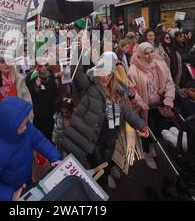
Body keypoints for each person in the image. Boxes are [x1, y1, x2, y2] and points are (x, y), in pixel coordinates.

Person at [61, 52, 149, 190]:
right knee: (99, 171)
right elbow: (76, 73)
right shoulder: (89, 85)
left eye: (109, 74)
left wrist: (140, 124)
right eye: (102, 72)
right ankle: (101, 191)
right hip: (94, 139)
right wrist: (79, 49)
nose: (105, 77)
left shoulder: (118, 90)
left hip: (111, 137)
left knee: (107, 162)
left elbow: (127, 111)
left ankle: (107, 174)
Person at [0, 97, 61, 201]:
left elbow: (40, 141)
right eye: (21, 126)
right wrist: (11, 195)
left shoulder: (25, 127)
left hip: (25, 186)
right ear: (10, 127)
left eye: (25, 122)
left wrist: (55, 158)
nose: (25, 127)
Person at [128, 43, 176, 170]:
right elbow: (132, 90)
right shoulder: (133, 69)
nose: (149, 55)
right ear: (140, 54)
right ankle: (146, 152)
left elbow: (169, 83)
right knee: (146, 131)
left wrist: (168, 99)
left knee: (159, 128)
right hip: (144, 107)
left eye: (151, 52)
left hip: (159, 104)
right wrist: (141, 103)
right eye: (146, 53)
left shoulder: (159, 64)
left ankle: (151, 145)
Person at [25, 62, 59, 141]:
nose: (43, 67)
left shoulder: (50, 74)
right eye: (40, 65)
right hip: (38, 114)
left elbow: (54, 93)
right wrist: (35, 86)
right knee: (39, 138)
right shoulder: (30, 77)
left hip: (49, 113)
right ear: (36, 65)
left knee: (48, 137)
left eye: (46, 65)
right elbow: (28, 95)